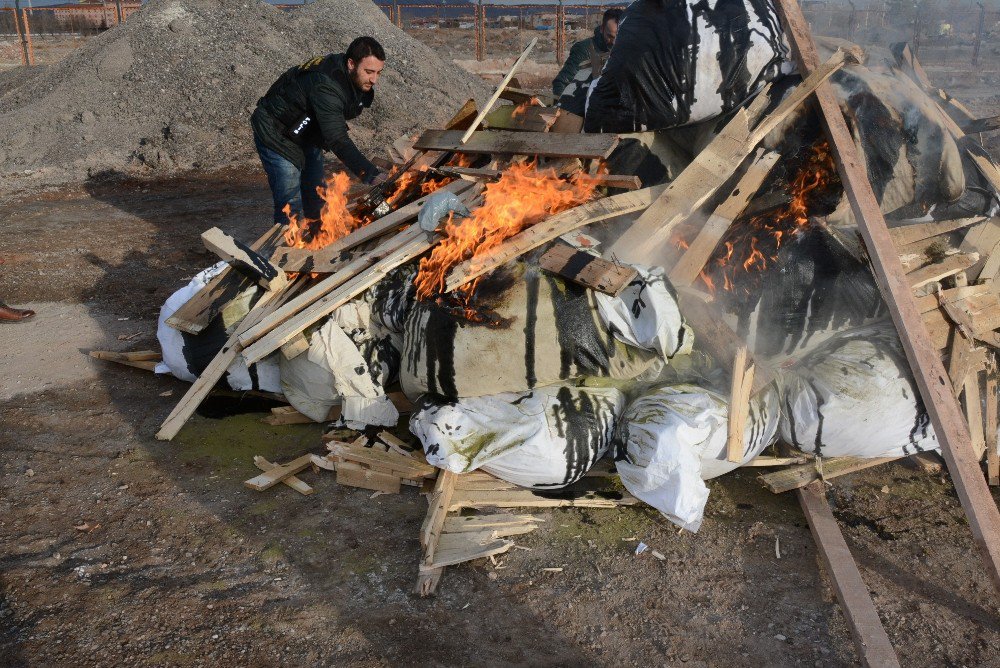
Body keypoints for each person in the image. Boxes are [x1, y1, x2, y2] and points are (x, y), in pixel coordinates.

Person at [251, 36, 387, 226]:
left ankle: (317, 244)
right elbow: (337, 139)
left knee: (316, 196)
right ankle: (287, 251)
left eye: (379, 73)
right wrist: (370, 175)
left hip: (307, 133)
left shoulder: (351, 79)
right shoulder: (327, 85)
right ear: (351, 64)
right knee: (291, 205)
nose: (374, 79)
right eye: (369, 72)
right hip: (276, 134)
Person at [551, 9, 622, 100]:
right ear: (602, 29)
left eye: (619, 37)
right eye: (610, 36)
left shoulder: (625, 51)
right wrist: (564, 109)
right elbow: (561, 83)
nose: (614, 42)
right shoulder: (584, 50)